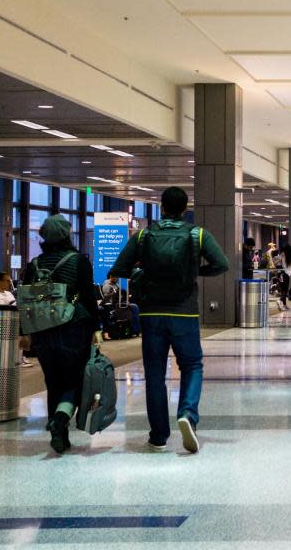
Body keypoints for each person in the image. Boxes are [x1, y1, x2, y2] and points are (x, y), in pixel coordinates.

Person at [110, 186, 229, 454]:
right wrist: (194, 271)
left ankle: (158, 435)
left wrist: (143, 272)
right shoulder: (197, 235)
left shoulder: (143, 236)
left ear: (161, 208)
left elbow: (118, 269)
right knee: (192, 365)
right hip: (184, 311)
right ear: (185, 209)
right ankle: (187, 413)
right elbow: (222, 264)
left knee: (154, 373)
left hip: (151, 314)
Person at [23, 215, 102, 454]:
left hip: (42, 332)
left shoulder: (35, 264)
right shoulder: (78, 261)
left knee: (53, 382)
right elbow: (88, 297)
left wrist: (24, 332)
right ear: (68, 235)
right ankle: (59, 419)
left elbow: (25, 300)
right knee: (75, 381)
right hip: (73, 327)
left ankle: (60, 436)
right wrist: (96, 328)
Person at [276, 244, 291, 309]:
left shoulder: (282, 254)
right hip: (286, 275)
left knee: (283, 290)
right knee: (285, 290)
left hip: (281, 274)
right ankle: (280, 301)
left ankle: (284, 305)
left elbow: (276, 261)